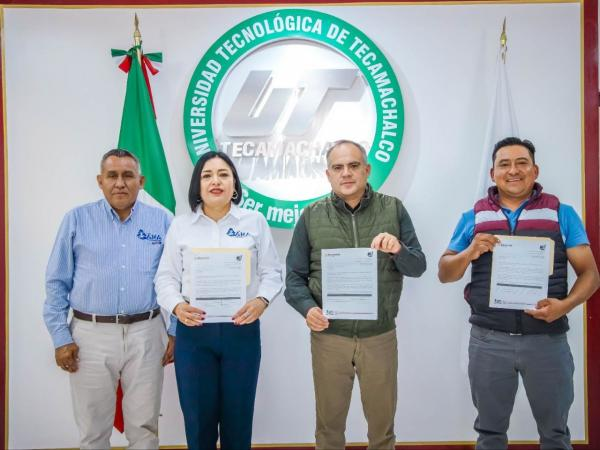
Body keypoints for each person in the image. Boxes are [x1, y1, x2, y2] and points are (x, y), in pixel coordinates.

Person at [438, 137, 600, 450]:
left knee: (555, 434)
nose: (513, 170)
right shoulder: (473, 217)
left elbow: (591, 275)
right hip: (489, 341)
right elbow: (446, 273)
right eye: (504, 164)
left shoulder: (561, 213)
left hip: (547, 340)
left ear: (535, 170)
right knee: (490, 434)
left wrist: (564, 306)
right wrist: (469, 252)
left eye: (522, 163)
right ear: (493, 173)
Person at [285, 140, 426, 450]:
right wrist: (308, 309)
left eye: (353, 165)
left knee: (382, 430)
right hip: (329, 337)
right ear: (328, 174)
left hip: (379, 336)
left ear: (367, 170)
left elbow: (418, 266)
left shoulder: (393, 209)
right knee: (329, 429)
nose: (346, 173)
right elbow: (294, 278)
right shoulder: (311, 215)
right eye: (338, 167)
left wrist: (399, 249)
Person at [43, 149, 175, 449]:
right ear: (100, 181)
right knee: (93, 430)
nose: (120, 183)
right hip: (90, 336)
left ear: (141, 181)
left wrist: (175, 329)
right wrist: (61, 338)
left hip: (147, 332)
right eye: (112, 176)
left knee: (145, 428)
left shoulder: (163, 221)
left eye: (128, 175)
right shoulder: (76, 220)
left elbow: (180, 279)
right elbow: (56, 283)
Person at [155, 151, 282, 450]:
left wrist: (261, 300)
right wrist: (177, 306)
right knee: (198, 421)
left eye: (223, 174)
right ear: (197, 185)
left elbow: (272, 272)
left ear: (234, 184)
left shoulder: (254, 222)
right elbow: (165, 278)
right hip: (194, 334)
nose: (216, 181)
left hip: (241, 331)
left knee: (238, 419)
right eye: (207, 175)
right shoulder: (181, 226)